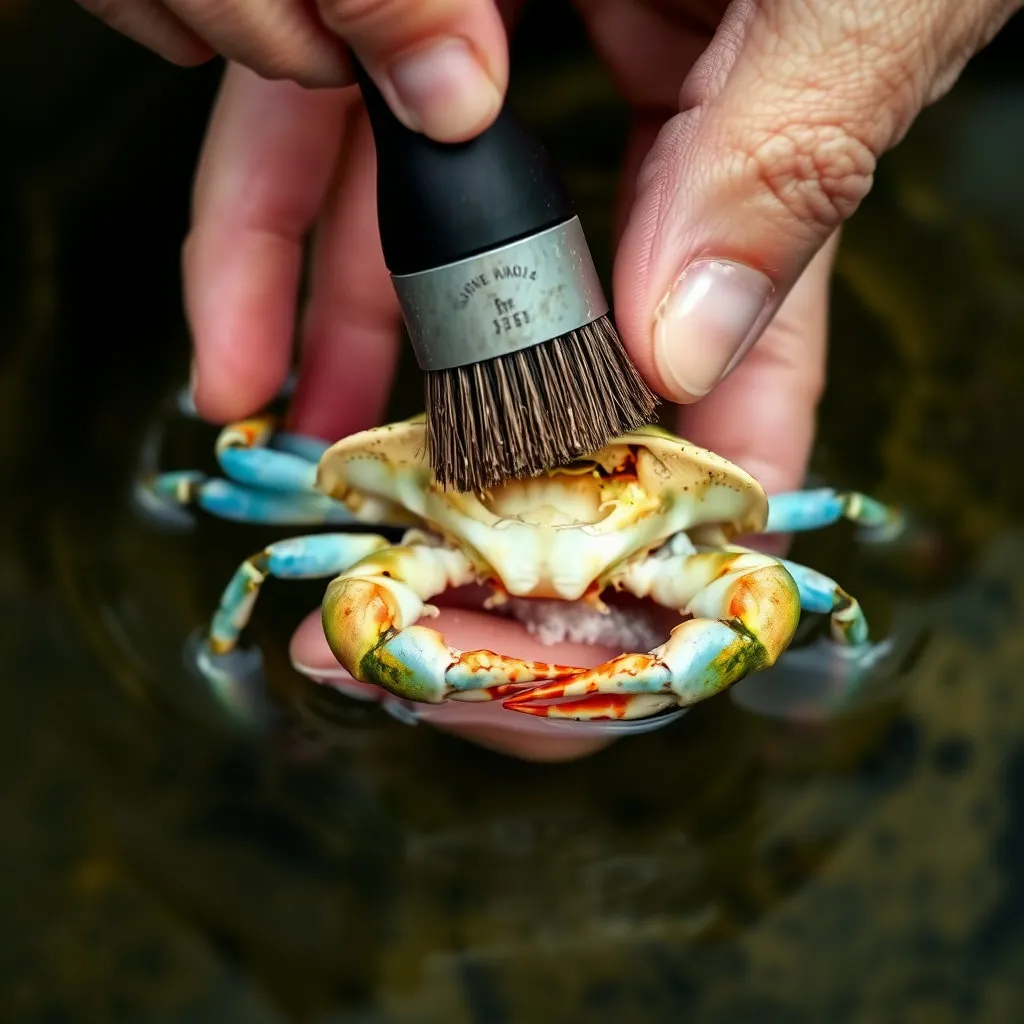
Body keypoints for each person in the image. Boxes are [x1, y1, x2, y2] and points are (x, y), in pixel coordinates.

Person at [77, 0, 1018, 760]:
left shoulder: (694, 554)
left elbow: (800, 600)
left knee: (819, 572)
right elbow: (257, 544)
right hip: (471, 499)